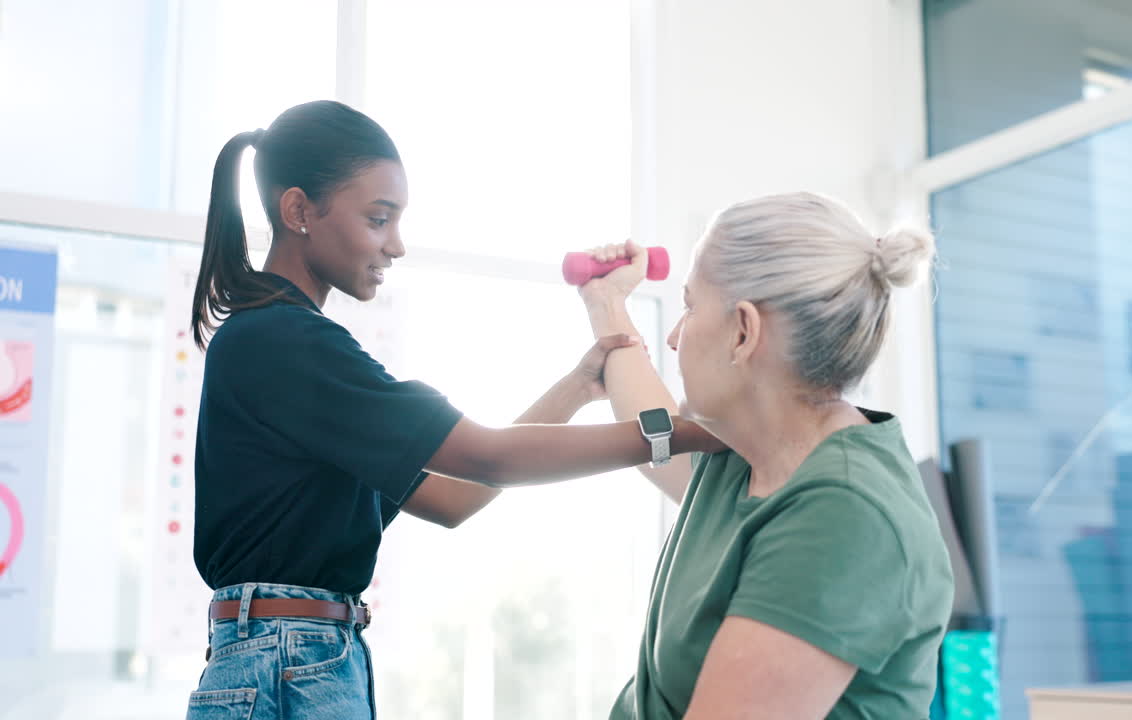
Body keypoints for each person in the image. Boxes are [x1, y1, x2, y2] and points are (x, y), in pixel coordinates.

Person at [184, 100, 718, 719]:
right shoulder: (286, 343)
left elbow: (452, 497)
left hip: (298, 652)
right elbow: (486, 456)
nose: (397, 245)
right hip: (289, 658)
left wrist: (576, 387)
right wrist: (686, 432)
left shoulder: (287, 352)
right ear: (299, 210)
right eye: (379, 219)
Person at [577, 192, 955, 719]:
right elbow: (651, 428)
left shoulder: (844, 516)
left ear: (744, 331)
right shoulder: (743, 451)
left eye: (689, 307)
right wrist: (607, 305)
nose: (673, 336)